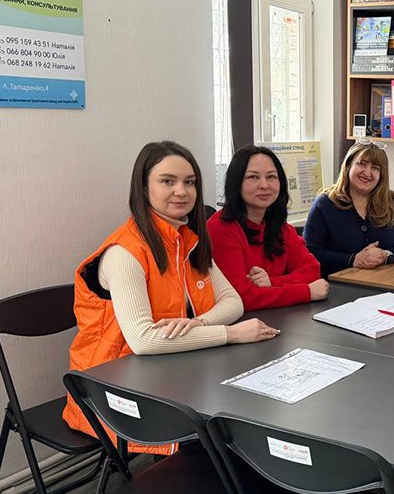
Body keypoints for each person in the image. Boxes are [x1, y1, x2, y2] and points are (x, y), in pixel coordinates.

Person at [63, 141, 280, 452]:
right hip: (113, 395)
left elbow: (233, 302)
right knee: (230, 435)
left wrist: (198, 324)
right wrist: (230, 334)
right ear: (143, 188)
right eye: (168, 181)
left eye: (189, 182)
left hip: (172, 373)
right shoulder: (124, 252)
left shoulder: (187, 241)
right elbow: (143, 340)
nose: (182, 191)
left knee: (248, 414)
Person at [208, 145, 328, 310]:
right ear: (236, 182)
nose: (264, 185)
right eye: (253, 177)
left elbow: (312, 270)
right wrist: (306, 292)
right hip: (243, 322)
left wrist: (272, 282)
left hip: (281, 318)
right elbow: (240, 297)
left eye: (271, 176)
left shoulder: (279, 226)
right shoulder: (220, 229)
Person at [304, 139, 394, 277]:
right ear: (348, 166)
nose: (367, 172)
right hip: (338, 284)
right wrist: (353, 260)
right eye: (362, 164)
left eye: (375, 168)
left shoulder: (393, 203)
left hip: (387, 281)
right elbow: (309, 253)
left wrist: (386, 255)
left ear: (382, 175)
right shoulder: (325, 204)